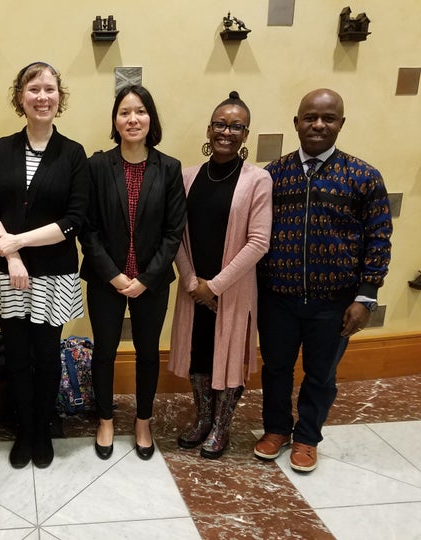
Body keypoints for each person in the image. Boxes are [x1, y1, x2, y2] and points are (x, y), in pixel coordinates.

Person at [255, 88, 392, 472]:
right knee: (276, 367)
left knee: (321, 373)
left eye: (328, 118)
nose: (318, 124)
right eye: (310, 117)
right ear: (296, 122)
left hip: (334, 301)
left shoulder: (363, 177)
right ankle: (276, 429)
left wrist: (366, 297)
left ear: (341, 124)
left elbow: (379, 237)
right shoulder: (272, 176)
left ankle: (307, 437)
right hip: (277, 296)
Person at [0, 62, 90, 469]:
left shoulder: (73, 153)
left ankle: (42, 429)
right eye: (33, 89)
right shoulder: (1, 149)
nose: (42, 96)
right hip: (7, 272)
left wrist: (18, 243)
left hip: (53, 275)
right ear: (20, 97)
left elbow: (74, 219)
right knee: (17, 355)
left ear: (59, 98)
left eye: (49, 89)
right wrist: (10, 255)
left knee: (46, 357)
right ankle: (24, 430)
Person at [80, 85, 186, 461]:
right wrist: (113, 275)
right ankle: (105, 418)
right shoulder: (96, 167)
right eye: (124, 112)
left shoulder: (169, 168)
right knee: (105, 352)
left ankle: (143, 419)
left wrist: (146, 278)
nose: (132, 119)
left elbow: (174, 232)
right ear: (115, 120)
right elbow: (87, 228)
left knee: (147, 353)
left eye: (140, 112)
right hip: (106, 280)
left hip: (151, 283)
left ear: (150, 118)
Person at [168, 91, 272, 459]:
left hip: (233, 290)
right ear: (209, 128)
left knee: (226, 358)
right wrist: (192, 281)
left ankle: (222, 426)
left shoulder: (258, 180)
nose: (226, 131)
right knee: (199, 355)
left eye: (236, 126)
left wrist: (217, 285)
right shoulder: (186, 176)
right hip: (193, 288)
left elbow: (259, 242)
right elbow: (175, 233)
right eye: (220, 124)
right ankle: (202, 419)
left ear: (246, 133)